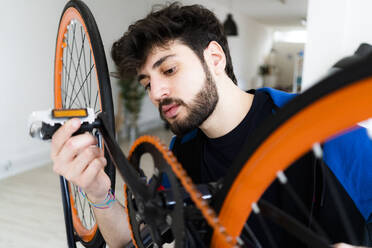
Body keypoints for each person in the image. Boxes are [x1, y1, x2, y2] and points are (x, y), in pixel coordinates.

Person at [51, 2, 372, 247]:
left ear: (215, 58)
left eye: (170, 70)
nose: (157, 92)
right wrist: (97, 192)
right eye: (147, 83)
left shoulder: (333, 135)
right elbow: (130, 238)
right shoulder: (182, 152)